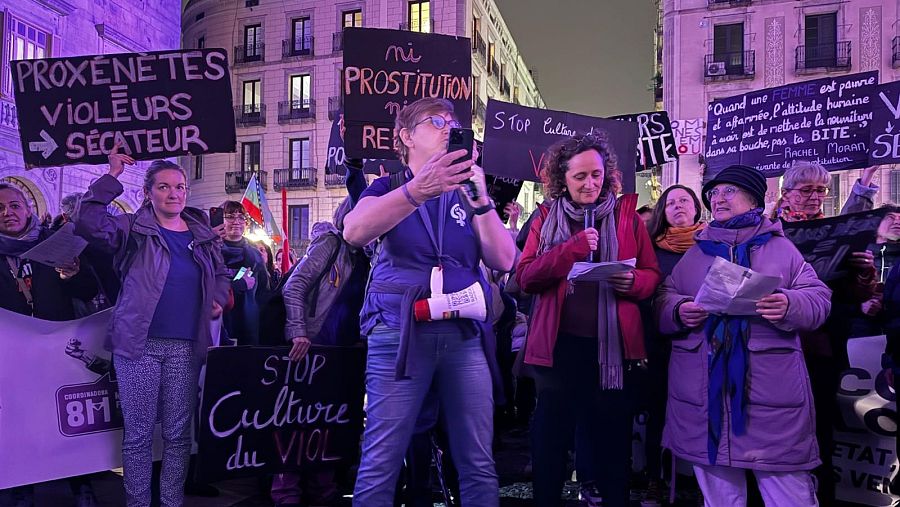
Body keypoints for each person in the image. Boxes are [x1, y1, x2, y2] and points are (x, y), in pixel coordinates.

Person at [343, 97, 515, 506]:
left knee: (477, 459)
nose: (447, 128)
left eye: (452, 123)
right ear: (405, 137)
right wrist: (417, 191)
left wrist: (481, 200)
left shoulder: (468, 193)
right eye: (435, 121)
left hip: (462, 335)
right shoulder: (387, 187)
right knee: (382, 458)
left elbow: (504, 259)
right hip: (398, 335)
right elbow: (354, 232)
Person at [656, 164, 831, 506]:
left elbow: (819, 299)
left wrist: (788, 304)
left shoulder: (782, 250)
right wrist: (679, 310)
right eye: (713, 193)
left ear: (754, 200)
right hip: (703, 395)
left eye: (728, 191)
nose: (717, 198)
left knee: (790, 496)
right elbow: (663, 300)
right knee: (720, 498)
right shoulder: (696, 252)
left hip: (769, 397)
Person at [75, 144, 230, 507]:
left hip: (186, 347)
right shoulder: (132, 228)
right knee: (140, 435)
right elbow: (87, 221)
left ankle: (172, 502)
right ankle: (138, 503)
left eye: (179, 187)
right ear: (147, 193)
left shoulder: (202, 235)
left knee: (178, 435)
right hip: (138, 345)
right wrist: (112, 174)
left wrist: (218, 297)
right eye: (163, 187)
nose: (173, 193)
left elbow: (220, 273)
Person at [516, 133, 662, 507]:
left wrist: (633, 282)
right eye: (580, 176)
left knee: (613, 444)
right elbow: (526, 278)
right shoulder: (545, 217)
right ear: (562, 178)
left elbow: (651, 276)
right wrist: (571, 249)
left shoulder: (628, 217)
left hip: (613, 352)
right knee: (550, 442)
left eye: (596, 175)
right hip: (559, 349)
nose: (590, 183)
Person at [772, 160, 878, 506]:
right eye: (807, 190)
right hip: (773, 346)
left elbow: (852, 297)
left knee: (817, 429)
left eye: (821, 190)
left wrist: (862, 275)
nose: (815, 197)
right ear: (786, 193)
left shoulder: (837, 232)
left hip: (819, 348)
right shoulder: (768, 231)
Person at [0, 183, 99, 507]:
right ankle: (21, 489)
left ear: (28, 209)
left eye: (14, 205)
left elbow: (87, 291)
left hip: (58, 354)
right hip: (12, 357)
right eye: (0, 208)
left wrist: (72, 274)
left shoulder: (54, 244)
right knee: (19, 424)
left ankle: (81, 485)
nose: (7, 213)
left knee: (68, 422)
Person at [272, 196, 368, 506]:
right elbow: (294, 285)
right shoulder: (330, 243)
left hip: (343, 352)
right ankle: (286, 493)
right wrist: (298, 330)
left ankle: (322, 491)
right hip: (312, 348)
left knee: (329, 424)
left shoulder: (367, 255)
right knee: (297, 423)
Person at [636, 184, 706, 505]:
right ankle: (655, 479)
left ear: (696, 208)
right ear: (663, 212)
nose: (678, 206)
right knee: (658, 412)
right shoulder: (649, 250)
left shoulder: (712, 246)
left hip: (704, 345)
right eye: (671, 202)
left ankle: (709, 482)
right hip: (660, 345)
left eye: (685, 200)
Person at [214, 200, 269, 345]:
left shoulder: (255, 255)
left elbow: (264, 291)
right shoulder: (210, 252)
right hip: (218, 323)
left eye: (241, 217)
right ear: (221, 220)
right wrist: (238, 285)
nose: (236, 221)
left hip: (249, 325)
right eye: (230, 216)